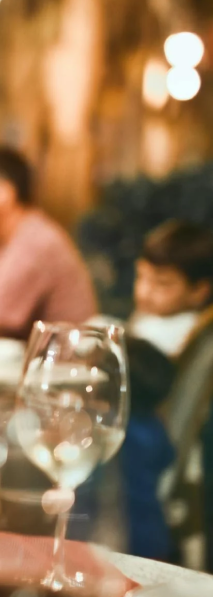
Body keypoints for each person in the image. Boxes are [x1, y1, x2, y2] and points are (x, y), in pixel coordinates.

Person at [0, 145, 97, 345]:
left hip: (68, 369)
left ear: (3, 194)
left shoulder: (32, 244)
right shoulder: (1, 240)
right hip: (45, 366)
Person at [116, 337, 176, 561]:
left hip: (123, 538)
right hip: (155, 534)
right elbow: (168, 457)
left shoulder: (114, 431)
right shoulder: (155, 426)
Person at [128, 220, 213, 357]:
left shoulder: (186, 335)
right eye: (141, 276)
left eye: (162, 284)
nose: (144, 292)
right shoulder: (151, 315)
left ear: (199, 291)